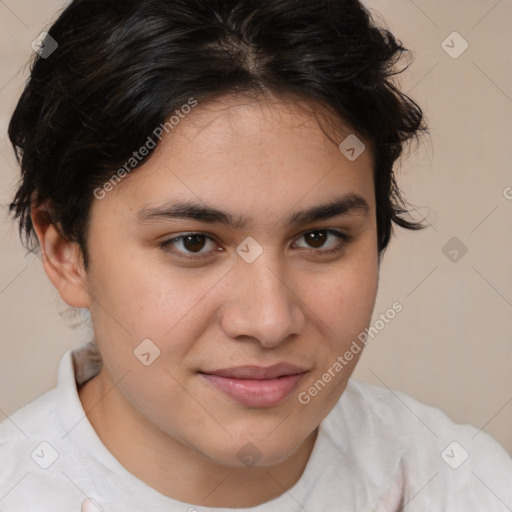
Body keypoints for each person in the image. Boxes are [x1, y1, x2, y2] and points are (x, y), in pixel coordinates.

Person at [2, 0, 511, 510]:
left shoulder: (465, 486)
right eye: (193, 242)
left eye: (318, 238)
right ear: (66, 251)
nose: (270, 322)